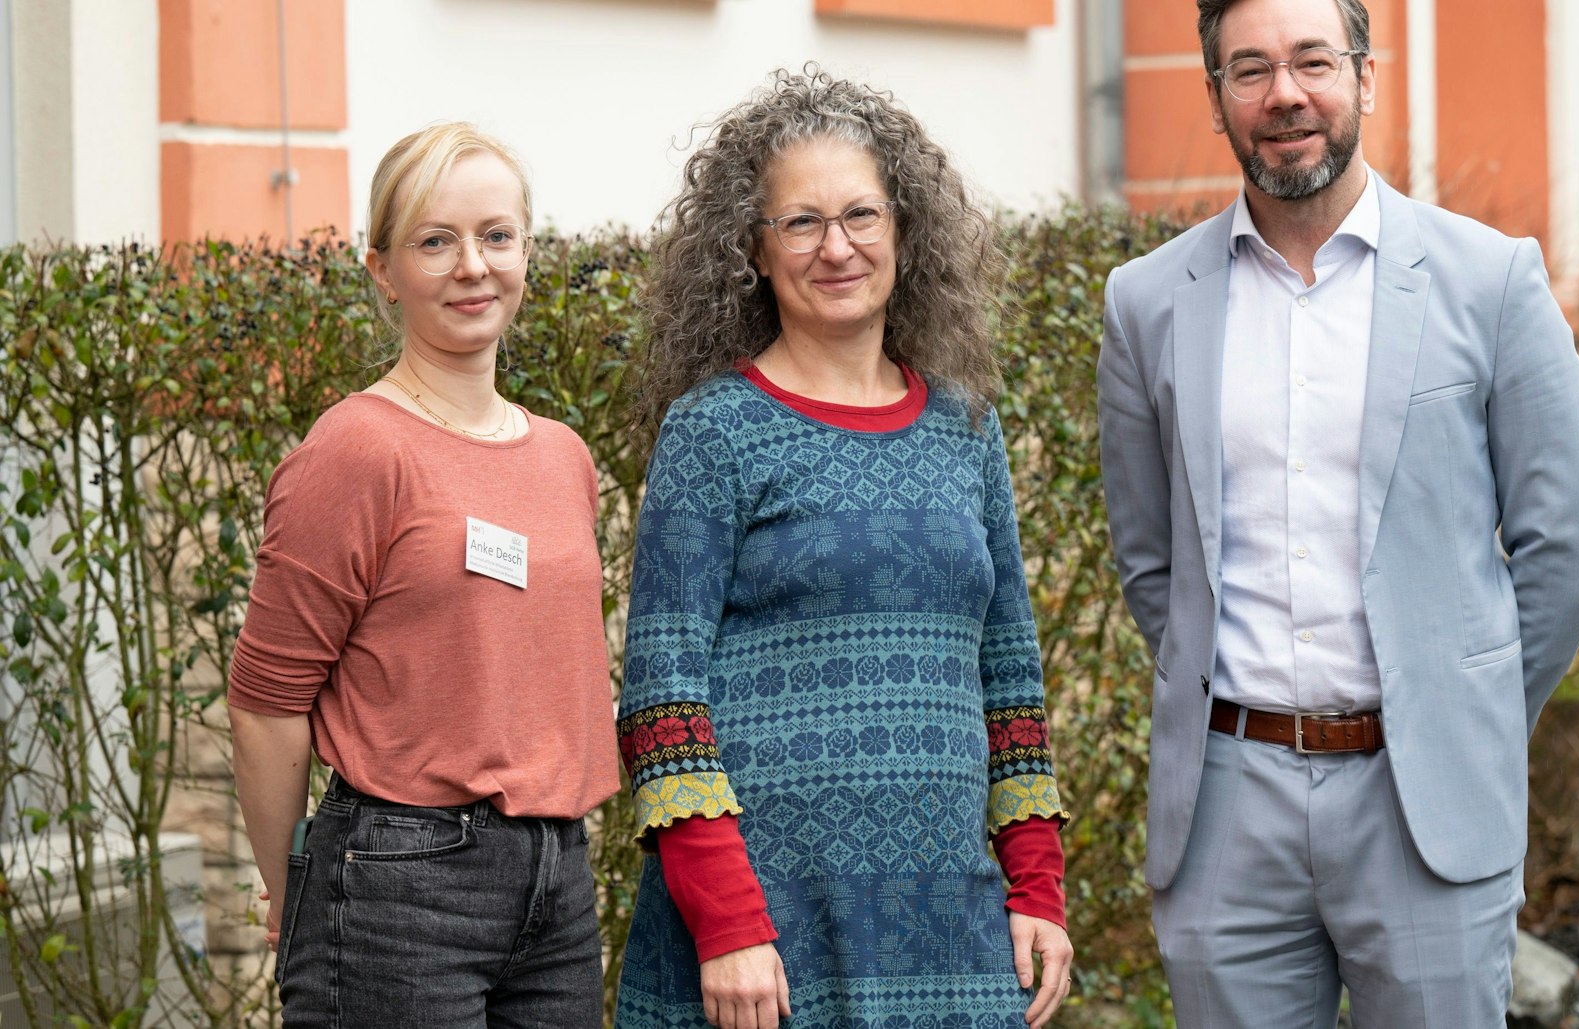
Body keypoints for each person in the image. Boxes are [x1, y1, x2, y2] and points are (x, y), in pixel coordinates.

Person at [1095, 0, 1579, 1028]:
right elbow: (1150, 560)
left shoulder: (1488, 280)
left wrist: (1451, 711)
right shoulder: (1146, 302)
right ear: (1216, 98)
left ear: (1363, 78)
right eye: (1249, 70)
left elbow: (1564, 553)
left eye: (1311, 62)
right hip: (1225, 807)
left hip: (1421, 799)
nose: (1284, 94)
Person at [614, 67, 1073, 1029]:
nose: (837, 247)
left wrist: (1035, 885)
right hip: (766, 945)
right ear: (752, 246)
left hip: (947, 928)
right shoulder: (715, 432)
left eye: (861, 214)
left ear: (904, 231)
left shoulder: (964, 426)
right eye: (801, 222)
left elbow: (1011, 676)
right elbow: (663, 702)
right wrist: (729, 922)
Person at [227, 123, 622, 1027]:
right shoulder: (358, 447)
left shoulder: (563, 454)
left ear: (528, 250)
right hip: (396, 886)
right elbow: (266, 699)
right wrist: (290, 881)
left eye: (495, 235)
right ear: (382, 269)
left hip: (559, 881)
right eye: (435, 242)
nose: (472, 266)